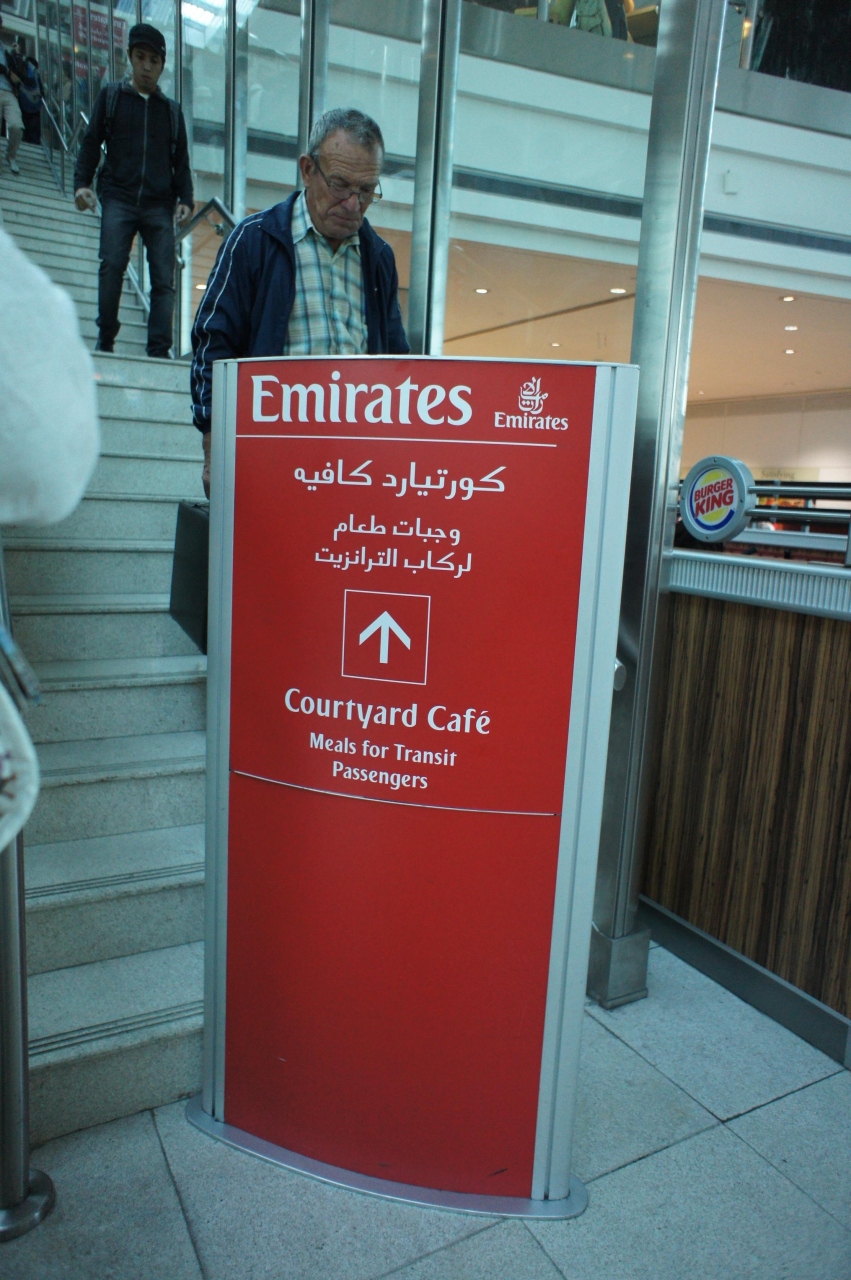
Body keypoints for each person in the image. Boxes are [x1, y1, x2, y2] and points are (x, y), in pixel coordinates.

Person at [190, 107, 409, 496]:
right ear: (308, 170)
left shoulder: (379, 258)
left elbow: (397, 365)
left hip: (356, 463)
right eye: (340, 185)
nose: (353, 204)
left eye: (366, 191)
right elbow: (213, 344)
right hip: (273, 452)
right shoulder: (254, 241)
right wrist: (214, 443)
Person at [73, 23, 193, 356]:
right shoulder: (112, 97)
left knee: (164, 280)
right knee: (112, 265)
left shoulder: (171, 112)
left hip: (159, 204)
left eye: (154, 60)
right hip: (118, 197)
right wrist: (82, 184)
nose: (146, 66)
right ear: (129, 57)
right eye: (140, 57)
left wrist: (186, 198)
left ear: (162, 65)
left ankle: (159, 351)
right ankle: (106, 339)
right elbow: (91, 143)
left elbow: (181, 161)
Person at [0, 15, 25, 175]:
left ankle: (10, 155)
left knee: (17, 125)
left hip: (8, 91)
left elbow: (20, 73)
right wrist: (7, 71)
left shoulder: (4, 48)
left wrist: (17, 55)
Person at [16, 39, 42, 146]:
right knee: (34, 129)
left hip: (23, 103)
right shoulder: (36, 72)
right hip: (35, 106)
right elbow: (41, 91)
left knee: (24, 125)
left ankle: (23, 142)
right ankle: (35, 144)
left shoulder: (23, 66)